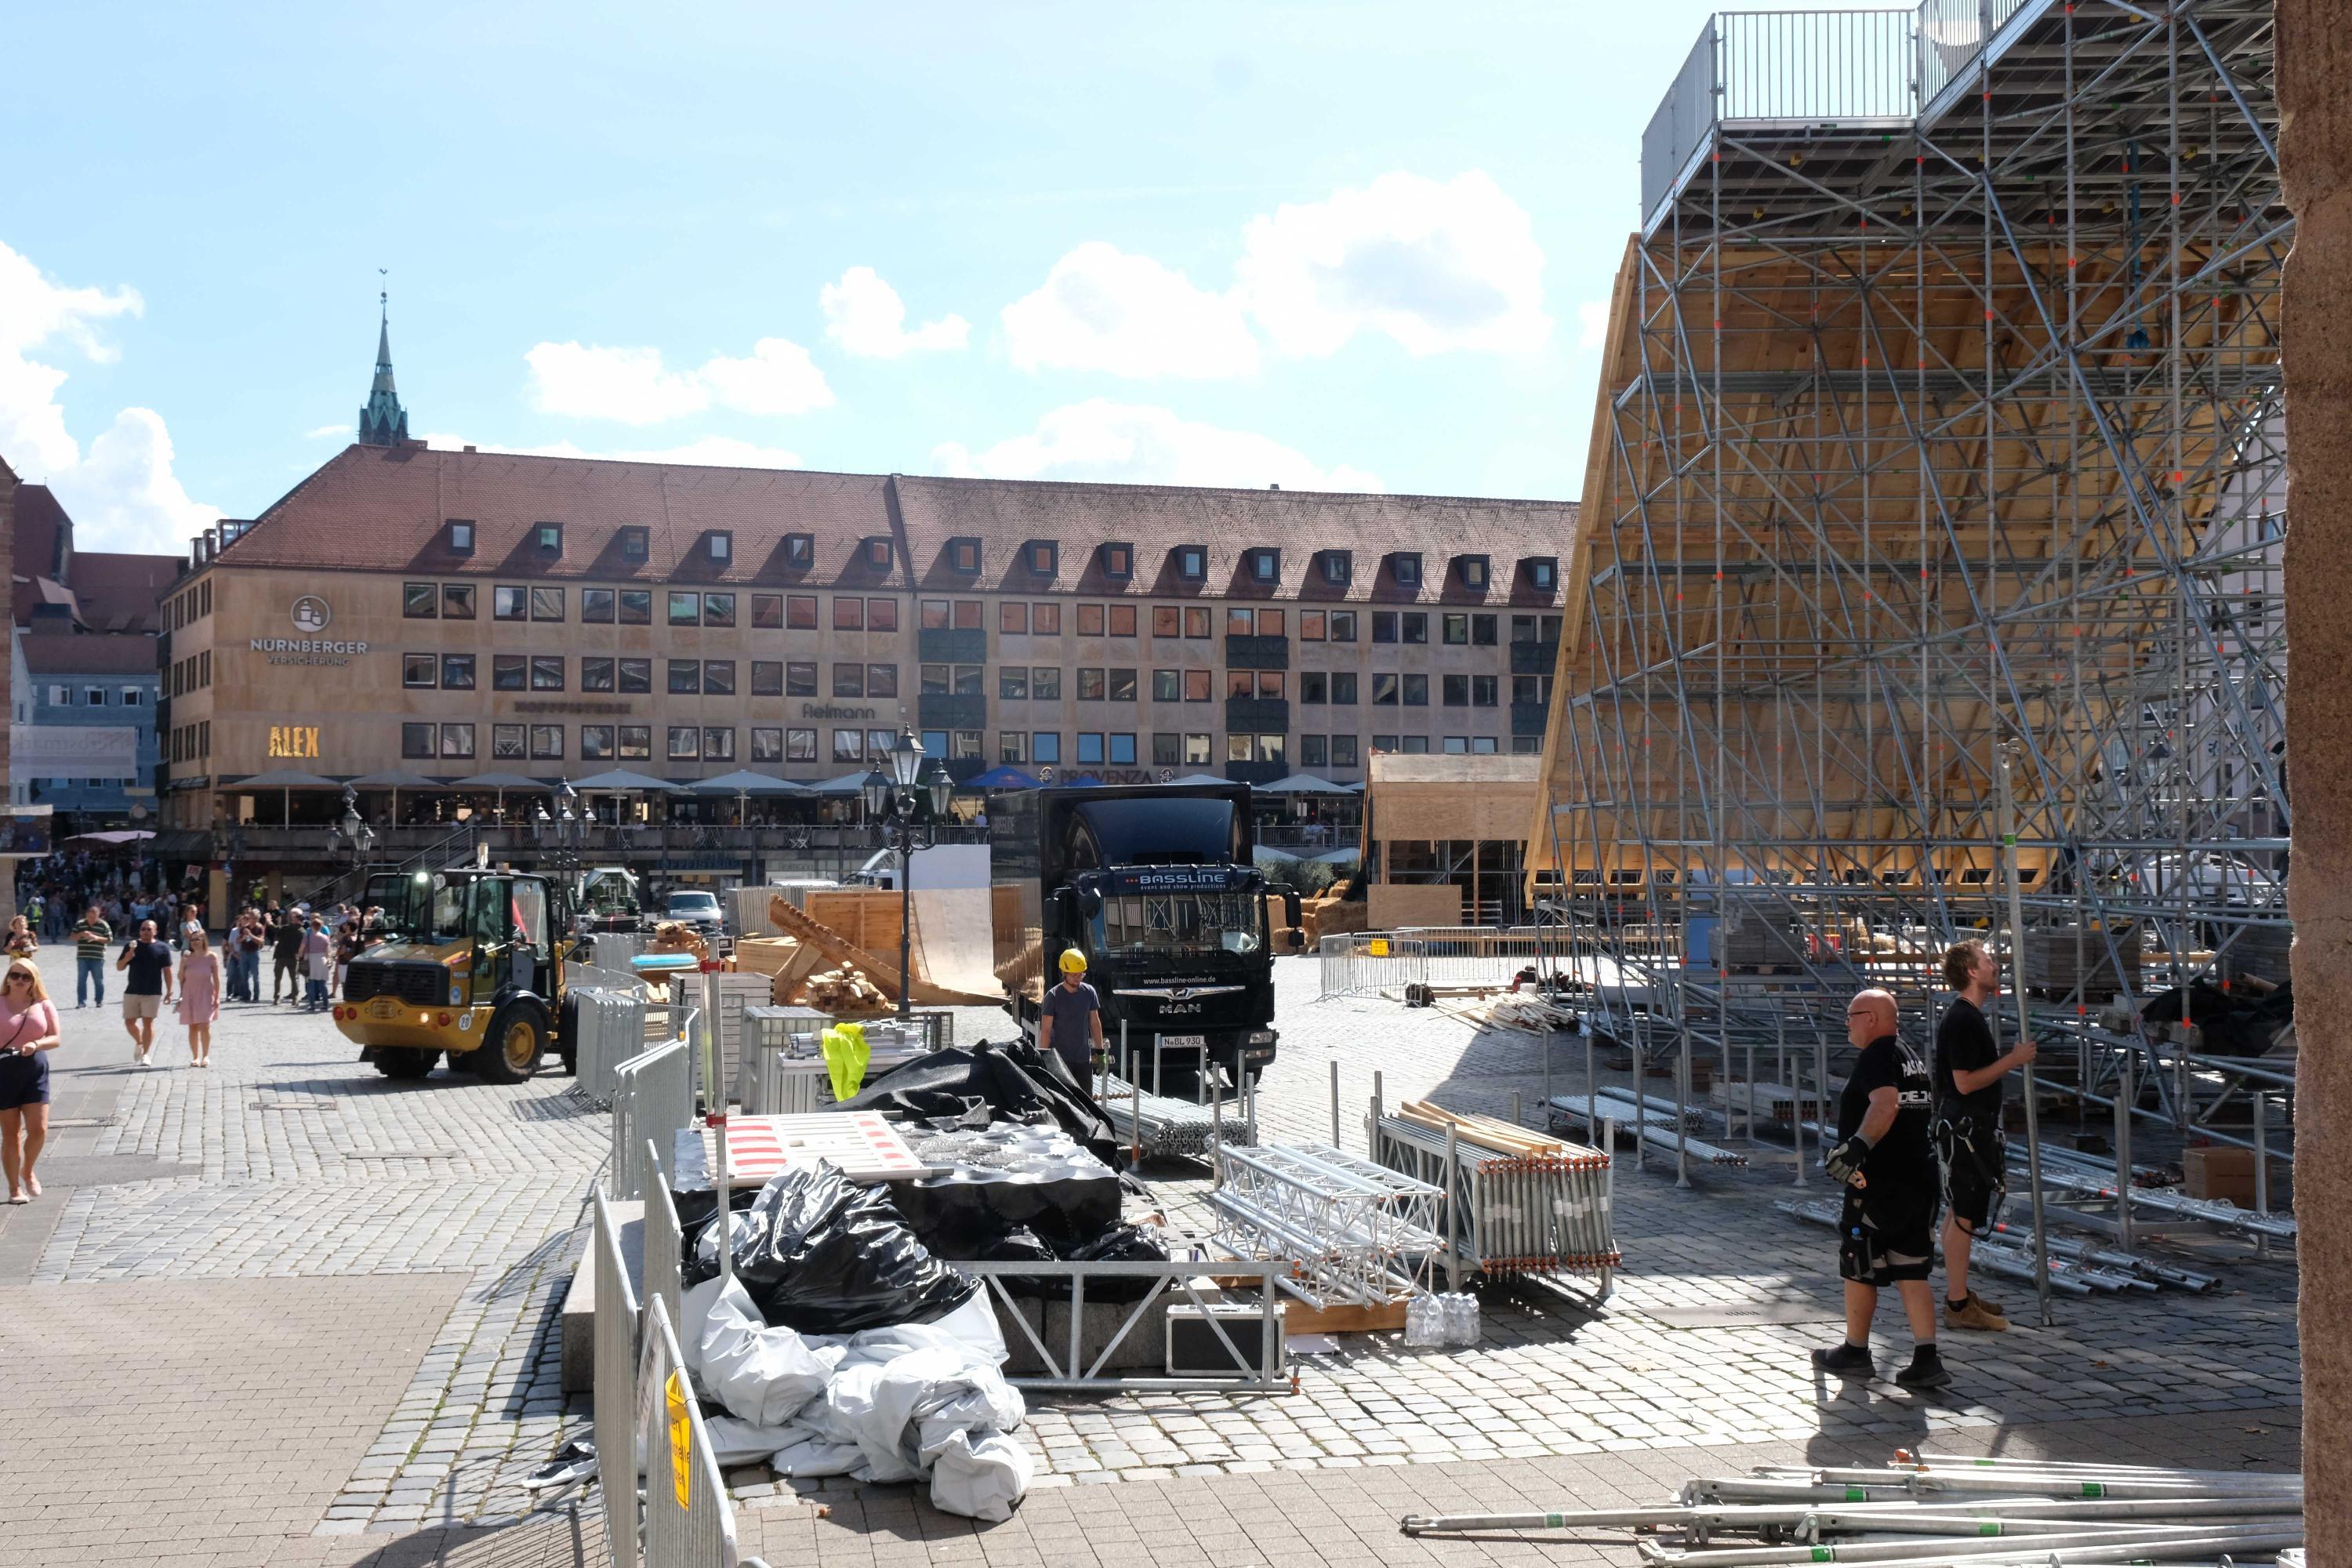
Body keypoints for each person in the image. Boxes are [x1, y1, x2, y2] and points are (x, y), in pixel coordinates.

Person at [1811, 987, 1949, 1390]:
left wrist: (1857, 1147)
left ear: (1871, 1017)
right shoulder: (1910, 1057)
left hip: (1878, 1182)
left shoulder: (1877, 1055)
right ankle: (1927, 1358)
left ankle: (1855, 1350)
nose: (1847, 1025)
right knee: (1911, 1267)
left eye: (1851, 1016)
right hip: (1918, 1179)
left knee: (1859, 1261)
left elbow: (1886, 1105)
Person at [1935, 939, 2038, 1332]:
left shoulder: (1969, 1016)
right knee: (1964, 1216)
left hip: (1968, 1127)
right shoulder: (1963, 1019)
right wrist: (2012, 1060)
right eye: (1988, 960)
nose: (1995, 965)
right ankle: (1958, 1305)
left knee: (1957, 1213)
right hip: (1966, 1129)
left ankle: (1958, 1294)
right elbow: (1963, 1084)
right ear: (1972, 972)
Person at [0, 957, 61, 1203]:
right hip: (4, 1071)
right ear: (8, 978)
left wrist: (36, 1044)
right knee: (11, 1134)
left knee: (39, 1129)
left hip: (34, 1069)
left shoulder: (43, 1004)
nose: (20, 981)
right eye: (15, 975)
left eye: (26, 977)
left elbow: (56, 1038)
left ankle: (28, 1170)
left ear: (33, 980)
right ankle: (14, 1188)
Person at [1036, 948, 1105, 1082]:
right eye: (1074, 976)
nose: (1078, 979)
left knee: (1085, 1100)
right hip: (1060, 1061)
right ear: (1064, 973)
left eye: (1081, 975)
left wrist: (1100, 1052)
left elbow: (1094, 1023)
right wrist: (1044, 1058)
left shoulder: (1089, 993)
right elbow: (1046, 1030)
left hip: (1083, 1060)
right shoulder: (1053, 996)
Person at [115, 919, 176, 1067]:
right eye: (143, 929)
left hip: (152, 991)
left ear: (155, 931)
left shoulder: (162, 948)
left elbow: (167, 971)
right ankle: (140, 1041)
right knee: (129, 1022)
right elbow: (119, 967)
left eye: (149, 929)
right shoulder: (131, 946)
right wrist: (127, 958)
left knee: (148, 1023)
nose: (145, 932)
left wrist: (170, 990)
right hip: (132, 990)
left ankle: (146, 1054)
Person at [176, 929, 222, 1068]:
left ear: (204, 940)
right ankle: (195, 1056)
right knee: (193, 1027)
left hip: (206, 993)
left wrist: (217, 996)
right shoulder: (187, 958)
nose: (194, 942)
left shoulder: (211, 957)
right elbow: (180, 977)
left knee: (205, 1025)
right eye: (192, 940)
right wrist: (183, 963)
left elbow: (217, 978)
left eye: (197, 939)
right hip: (190, 993)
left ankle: (206, 1055)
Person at [71, 904, 111, 1009]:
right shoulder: (80, 924)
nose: (91, 920)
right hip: (82, 956)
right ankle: (81, 1002)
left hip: (97, 957)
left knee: (98, 980)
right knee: (81, 980)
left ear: (98, 916)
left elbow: (110, 939)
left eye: (93, 918)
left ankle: (99, 1001)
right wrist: (81, 934)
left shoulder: (103, 925)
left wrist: (96, 938)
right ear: (86, 915)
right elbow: (72, 937)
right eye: (89, 917)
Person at [271, 907, 305, 1004]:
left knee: (278, 978)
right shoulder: (302, 931)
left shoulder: (287, 927)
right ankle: (295, 998)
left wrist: (270, 922)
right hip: (293, 957)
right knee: (294, 979)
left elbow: (276, 930)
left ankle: (276, 998)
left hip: (281, 956)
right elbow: (302, 945)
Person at [301, 917, 332, 1010]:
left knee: (311, 983)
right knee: (322, 984)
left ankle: (312, 1005)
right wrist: (328, 960)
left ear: (312, 926)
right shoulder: (325, 937)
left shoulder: (308, 936)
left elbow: (302, 948)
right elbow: (328, 952)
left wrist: (300, 956)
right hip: (322, 959)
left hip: (311, 959)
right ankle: (325, 1004)